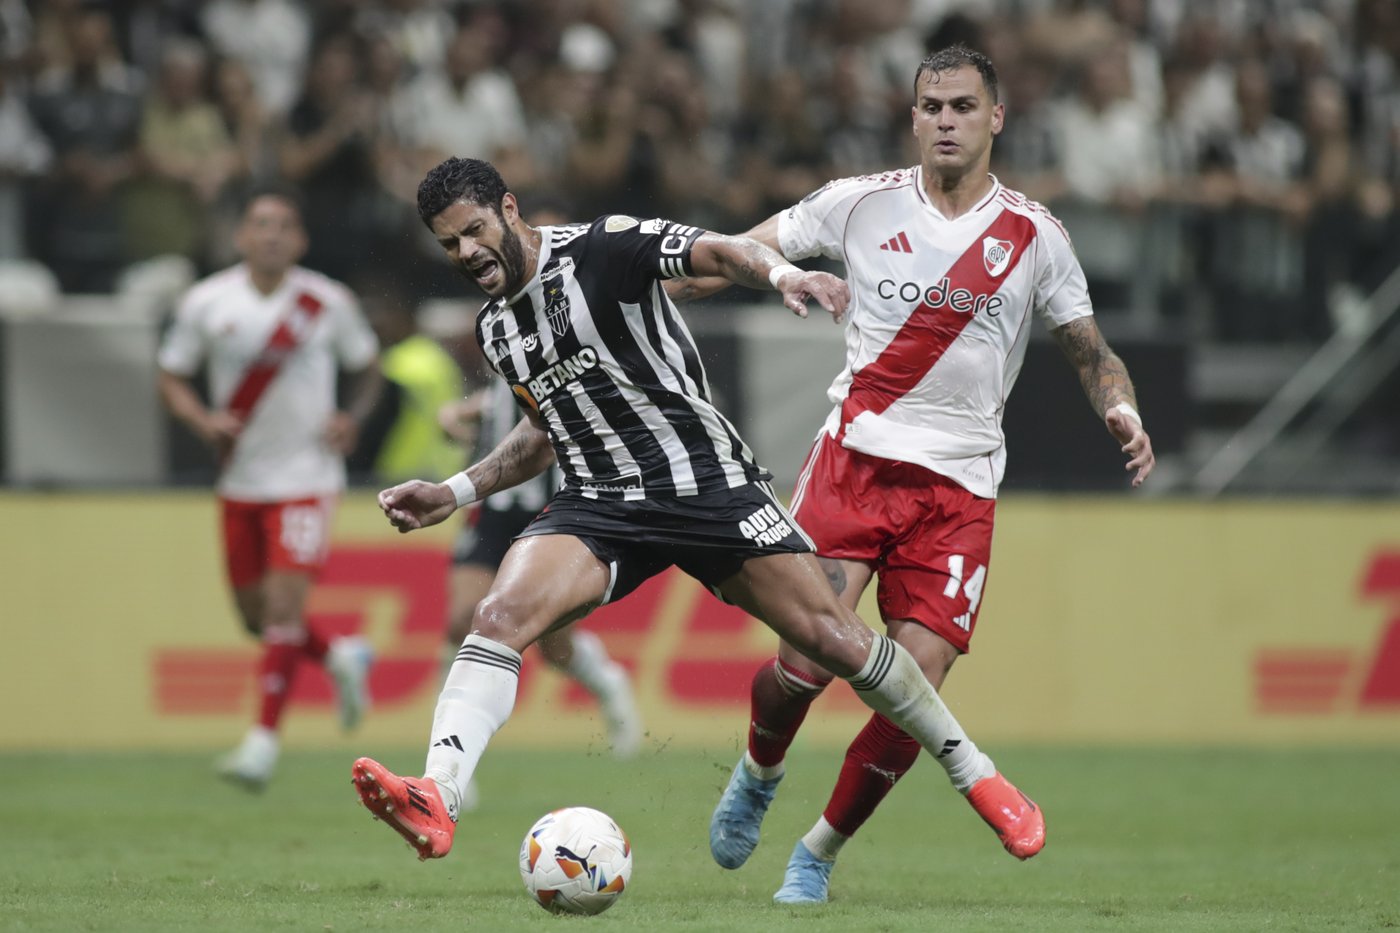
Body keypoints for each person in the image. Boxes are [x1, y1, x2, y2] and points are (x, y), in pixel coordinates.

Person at [350, 156, 1042, 870]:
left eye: (472, 231)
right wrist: (455, 491)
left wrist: (784, 275)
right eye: (449, 244)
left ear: (508, 209)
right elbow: (545, 431)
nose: (466, 251)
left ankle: (976, 774)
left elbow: (719, 251)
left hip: (707, 486)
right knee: (495, 616)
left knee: (832, 639)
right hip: (600, 503)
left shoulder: (602, 247)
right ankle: (438, 794)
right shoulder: (497, 329)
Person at [690, 45, 1155, 903]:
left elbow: (1092, 351)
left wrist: (1120, 407)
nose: (947, 121)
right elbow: (730, 253)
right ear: (912, 117)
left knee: (917, 687)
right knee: (804, 664)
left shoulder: (1035, 235)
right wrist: (649, 286)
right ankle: (759, 768)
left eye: (964, 106)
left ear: (996, 118)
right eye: (933, 106)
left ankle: (818, 851)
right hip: (856, 464)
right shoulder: (858, 203)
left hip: (959, 491)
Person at [157, 184, 384, 791]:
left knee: (283, 611)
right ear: (241, 237)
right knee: (255, 618)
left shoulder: (326, 301)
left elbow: (368, 368)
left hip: (307, 478)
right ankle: (341, 658)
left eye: (284, 225)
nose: (273, 235)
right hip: (241, 479)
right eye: (261, 224)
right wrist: (202, 420)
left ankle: (261, 745)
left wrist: (352, 418)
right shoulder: (207, 301)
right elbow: (171, 375)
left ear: (300, 240)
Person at [438, 378, 644, 771]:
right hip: (492, 508)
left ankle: (606, 682)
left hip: (552, 505)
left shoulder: (569, 356)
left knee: (553, 645)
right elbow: (502, 398)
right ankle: (449, 755)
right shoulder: (508, 354)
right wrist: (457, 413)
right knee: (461, 619)